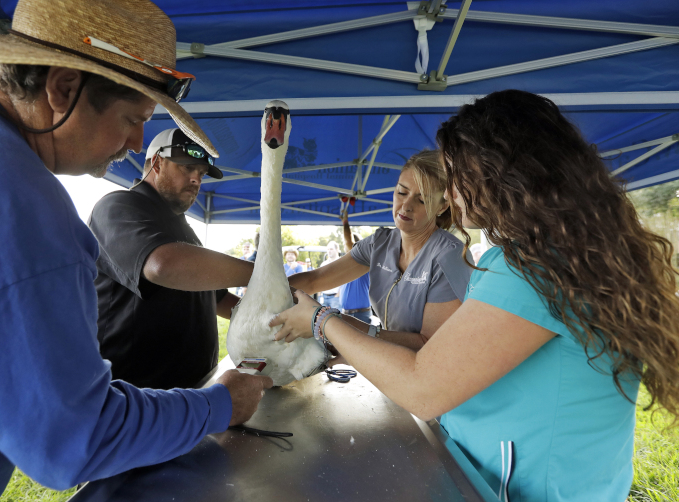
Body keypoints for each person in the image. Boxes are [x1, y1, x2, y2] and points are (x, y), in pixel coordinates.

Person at [0, 2, 271, 501]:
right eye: (132, 118)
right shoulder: (13, 198)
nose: (134, 143)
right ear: (63, 88)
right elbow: (71, 439)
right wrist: (220, 406)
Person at [272, 90, 679, 502]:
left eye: (455, 179)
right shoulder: (570, 252)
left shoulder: (536, 265)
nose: (450, 195)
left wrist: (322, 321)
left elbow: (422, 386)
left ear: (497, 173)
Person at [90, 128, 254, 390]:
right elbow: (161, 265)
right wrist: (265, 273)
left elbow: (216, 298)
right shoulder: (118, 206)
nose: (196, 180)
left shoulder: (183, 230)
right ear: (157, 163)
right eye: (188, 168)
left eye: (200, 174)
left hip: (194, 393)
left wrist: (267, 318)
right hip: (135, 395)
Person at [289, 151, 473, 350]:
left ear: (442, 206)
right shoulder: (380, 243)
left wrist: (330, 323)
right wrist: (260, 294)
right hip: (393, 367)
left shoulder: (450, 256)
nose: (406, 206)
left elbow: (429, 345)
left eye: (421, 200)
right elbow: (313, 281)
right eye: (402, 193)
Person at [337, 212, 372, 324]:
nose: (345, 249)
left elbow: (348, 243)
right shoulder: (346, 265)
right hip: (347, 313)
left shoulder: (362, 260)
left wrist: (345, 223)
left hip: (360, 315)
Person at [318, 241, 342, 308]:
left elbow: (345, 282)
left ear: (337, 250)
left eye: (331, 249)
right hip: (323, 297)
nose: (329, 251)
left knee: (336, 318)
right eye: (328, 249)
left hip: (336, 297)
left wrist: (338, 294)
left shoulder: (341, 263)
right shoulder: (323, 264)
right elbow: (319, 280)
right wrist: (319, 295)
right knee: (322, 318)